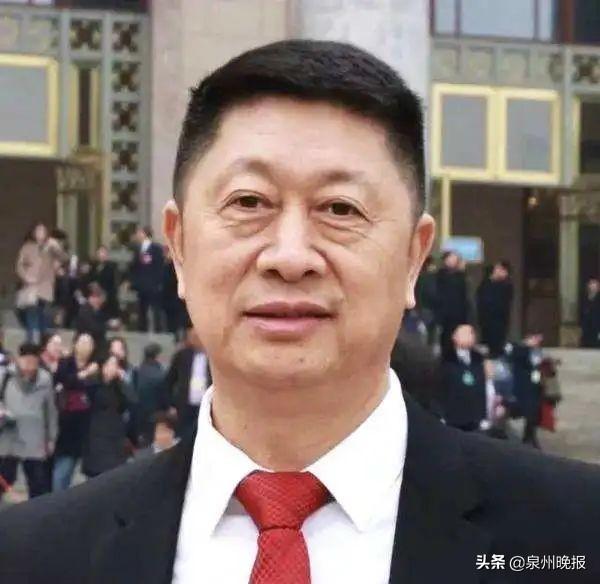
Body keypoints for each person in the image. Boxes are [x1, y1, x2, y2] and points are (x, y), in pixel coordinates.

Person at [2, 40, 600, 584]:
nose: (290, 257)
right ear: (178, 246)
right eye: (249, 202)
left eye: (340, 209)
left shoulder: (574, 536)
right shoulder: (33, 555)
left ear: (414, 258)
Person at [0, 343, 57, 500]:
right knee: (5, 477)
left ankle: (36, 512)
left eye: (33, 361)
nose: (29, 366)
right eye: (26, 361)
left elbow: (50, 410)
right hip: (9, 436)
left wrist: (51, 438)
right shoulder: (5, 375)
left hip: (34, 437)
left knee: (37, 483)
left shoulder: (45, 379)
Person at [52, 333, 98, 491]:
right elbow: (65, 382)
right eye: (82, 342)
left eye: (89, 343)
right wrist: (83, 374)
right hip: (67, 426)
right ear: (75, 344)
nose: (86, 346)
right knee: (61, 476)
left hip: (88, 427)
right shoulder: (66, 363)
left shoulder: (96, 367)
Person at [15, 223, 68, 343]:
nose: (40, 233)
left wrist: (56, 247)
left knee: (42, 318)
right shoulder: (28, 247)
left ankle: (40, 343)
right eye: (38, 231)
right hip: (31, 287)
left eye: (43, 231)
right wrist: (26, 277)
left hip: (45, 287)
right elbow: (20, 265)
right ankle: (32, 343)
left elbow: (64, 258)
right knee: (31, 316)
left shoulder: (51, 247)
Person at [81, 356, 129, 479]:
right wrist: (88, 373)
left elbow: (132, 401)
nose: (112, 368)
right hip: (96, 433)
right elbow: (84, 391)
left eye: (115, 365)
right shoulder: (94, 384)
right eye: (110, 364)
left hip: (115, 435)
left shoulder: (119, 386)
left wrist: (124, 381)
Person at [440, 325, 489, 432]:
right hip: (452, 417)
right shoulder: (446, 360)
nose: (470, 336)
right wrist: (440, 414)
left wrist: (483, 416)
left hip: (474, 417)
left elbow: (482, 388)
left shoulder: (478, 359)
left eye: (472, 333)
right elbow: (440, 388)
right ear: (454, 337)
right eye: (465, 333)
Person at [164, 326, 211, 438]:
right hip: (185, 406)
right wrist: (170, 405)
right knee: (185, 436)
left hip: (206, 407)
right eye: (193, 337)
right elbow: (169, 381)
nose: (196, 340)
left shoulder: (213, 356)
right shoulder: (182, 356)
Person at [509, 334, 545, 449]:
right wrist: (526, 346)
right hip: (523, 387)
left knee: (534, 413)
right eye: (535, 338)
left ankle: (529, 436)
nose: (538, 340)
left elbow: (539, 366)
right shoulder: (519, 349)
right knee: (529, 411)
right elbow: (516, 358)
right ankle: (529, 438)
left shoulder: (538, 351)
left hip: (535, 387)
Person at [128, 226, 165, 333]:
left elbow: (159, 267)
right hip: (141, 285)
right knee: (142, 308)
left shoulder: (156, 249)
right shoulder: (137, 249)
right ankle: (142, 329)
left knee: (155, 309)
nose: (137, 235)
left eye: (139, 233)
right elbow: (134, 267)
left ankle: (158, 330)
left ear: (144, 234)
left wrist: (158, 283)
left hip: (153, 285)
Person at [436, 251, 471, 357]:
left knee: (457, 340)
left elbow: (464, 296)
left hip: (458, 314)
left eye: (455, 259)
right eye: (451, 258)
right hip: (444, 314)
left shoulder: (461, 277)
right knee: (445, 340)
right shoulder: (440, 276)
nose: (454, 261)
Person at [133, 343, 169, 447]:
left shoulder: (138, 371)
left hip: (139, 414)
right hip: (156, 415)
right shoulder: (160, 374)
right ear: (157, 356)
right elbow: (164, 395)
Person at [476, 261, 514, 357]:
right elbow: (482, 301)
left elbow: (504, 304)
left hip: (500, 322)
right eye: (499, 269)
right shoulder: (485, 284)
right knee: (486, 347)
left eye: (504, 271)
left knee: (498, 347)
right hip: (486, 321)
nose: (501, 273)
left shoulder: (507, 285)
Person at [74, 283, 108, 360]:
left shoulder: (99, 312)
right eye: (94, 297)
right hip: (84, 345)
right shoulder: (84, 310)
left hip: (96, 346)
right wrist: (106, 325)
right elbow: (93, 328)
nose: (97, 300)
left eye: (98, 297)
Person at [90, 245, 121, 328]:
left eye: (103, 253)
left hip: (108, 294)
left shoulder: (112, 266)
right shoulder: (93, 266)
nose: (101, 255)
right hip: (95, 294)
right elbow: (91, 279)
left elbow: (111, 281)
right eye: (99, 253)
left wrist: (103, 293)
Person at [162, 245, 187, 341]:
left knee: (177, 321)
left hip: (175, 298)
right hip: (168, 299)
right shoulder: (165, 264)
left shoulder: (174, 266)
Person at [415, 256, 438, 346]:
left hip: (423, 307)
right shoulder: (429, 278)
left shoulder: (420, 277)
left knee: (425, 331)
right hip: (428, 308)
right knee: (429, 331)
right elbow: (431, 293)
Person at [580, 277, 600, 348]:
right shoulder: (584, 298)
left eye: (595, 285)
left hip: (597, 327)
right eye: (591, 284)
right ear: (588, 286)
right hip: (586, 328)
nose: (593, 287)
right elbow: (582, 313)